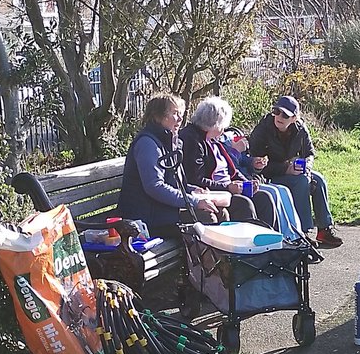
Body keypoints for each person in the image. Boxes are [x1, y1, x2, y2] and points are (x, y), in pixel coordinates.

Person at [118, 95, 228, 236]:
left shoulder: (168, 142)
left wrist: (192, 189)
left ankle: (219, 257)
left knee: (220, 212)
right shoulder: (148, 144)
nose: (180, 119)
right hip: (149, 217)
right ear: (158, 116)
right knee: (208, 217)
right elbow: (155, 186)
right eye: (175, 114)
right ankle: (201, 258)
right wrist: (194, 202)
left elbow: (174, 181)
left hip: (164, 210)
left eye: (180, 114)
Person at [248, 96, 343, 248]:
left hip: (292, 172)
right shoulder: (263, 129)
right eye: (276, 111)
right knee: (301, 182)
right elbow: (256, 163)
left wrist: (307, 166)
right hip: (268, 176)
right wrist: (286, 168)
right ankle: (302, 233)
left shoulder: (300, 129)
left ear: (294, 118)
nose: (279, 117)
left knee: (318, 180)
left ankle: (324, 229)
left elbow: (310, 153)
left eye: (284, 115)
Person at [179, 96, 278, 229]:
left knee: (264, 197)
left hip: (229, 189)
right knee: (244, 204)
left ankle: (270, 240)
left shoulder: (213, 139)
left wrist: (246, 181)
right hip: (214, 193)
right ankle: (247, 244)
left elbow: (231, 170)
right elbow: (196, 179)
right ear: (215, 123)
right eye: (223, 126)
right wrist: (228, 187)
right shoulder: (192, 140)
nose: (224, 130)